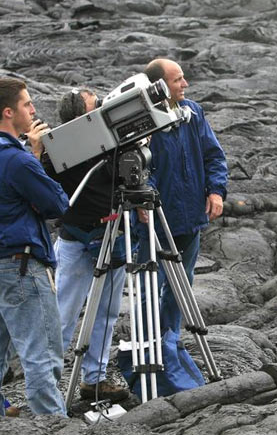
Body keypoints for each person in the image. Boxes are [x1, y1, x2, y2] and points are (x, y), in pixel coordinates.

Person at [123, 58, 228, 397]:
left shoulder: (192, 113)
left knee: (182, 287)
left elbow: (214, 155)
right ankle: (147, 351)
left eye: (184, 78)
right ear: (159, 85)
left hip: (190, 220)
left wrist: (216, 190)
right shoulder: (142, 122)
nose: (186, 85)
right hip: (155, 222)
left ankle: (169, 344)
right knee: (150, 291)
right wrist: (142, 201)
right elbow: (139, 168)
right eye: (179, 79)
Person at [0, 77, 69, 417]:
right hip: (20, 267)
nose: (34, 109)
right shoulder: (18, 160)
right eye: (28, 104)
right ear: (9, 112)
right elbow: (57, 204)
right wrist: (37, 153)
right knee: (41, 350)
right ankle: (56, 428)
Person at [43, 88, 129, 403]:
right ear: (83, 116)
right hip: (78, 238)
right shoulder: (60, 150)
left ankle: (95, 379)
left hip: (108, 232)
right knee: (63, 315)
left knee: (104, 312)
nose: (102, 108)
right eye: (95, 105)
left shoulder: (105, 141)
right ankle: (48, 387)